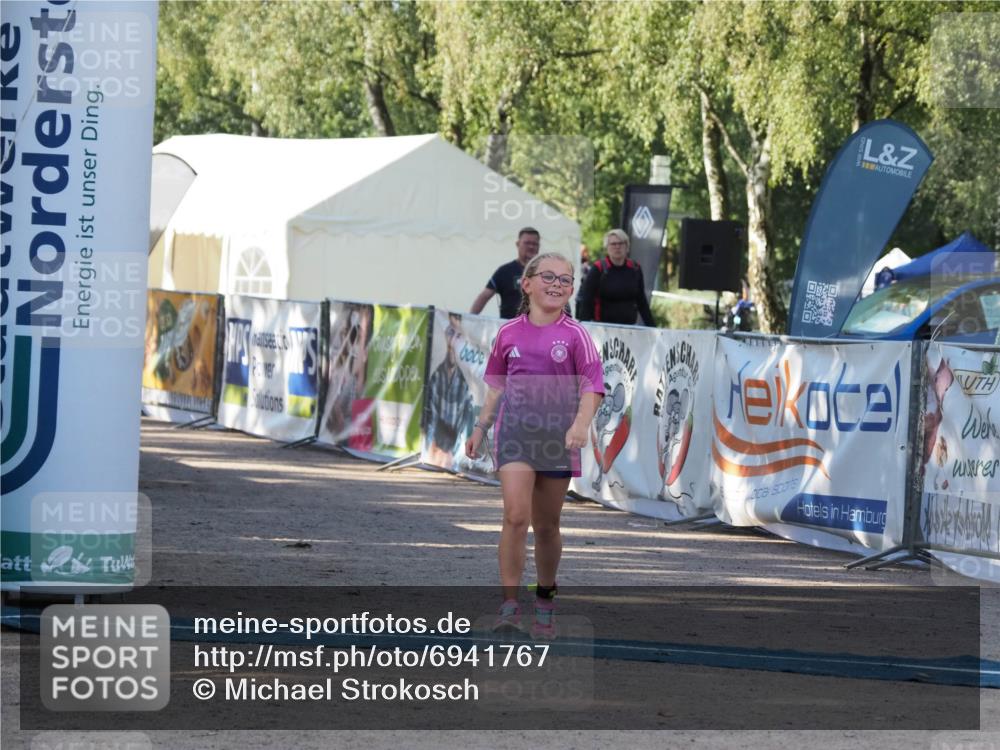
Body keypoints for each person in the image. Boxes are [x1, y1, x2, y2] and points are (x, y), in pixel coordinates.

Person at [465, 252, 604, 639]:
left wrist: (580, 424)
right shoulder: (508, 333)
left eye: (565, 280)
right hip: (515, 435)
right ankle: (509, 606)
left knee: (546, 526)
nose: (557, 285)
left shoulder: (576, 335)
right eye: (549, 277)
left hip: (558, 439)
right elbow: (495, 387)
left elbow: (594, 386)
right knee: (514, 516)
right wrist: (479, 428)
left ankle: (544, 598)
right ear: (526, 284)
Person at [425, 313, 476, 468]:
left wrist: (453, 454)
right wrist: (433, 449)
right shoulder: (436, 376)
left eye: (458, 335)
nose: (453, 339)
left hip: (453, 455)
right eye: (450, 333)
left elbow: (465, 425)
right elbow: (430, 418)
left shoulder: (466, 382)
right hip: (435, 452)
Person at [575, 229, 655, 326]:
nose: (617, 247)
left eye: (621, 243)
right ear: (607, 247)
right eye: (613, 244)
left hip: (629, 329)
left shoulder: (635, 268)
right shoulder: (598, 269)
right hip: (601, 328)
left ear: (627, 246)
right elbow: (587, 300)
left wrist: (653, 328)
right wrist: (584, 329)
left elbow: (641, 301)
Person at [470, 227, 541, 318]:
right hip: (510, 329)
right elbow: (484, 296)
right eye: (527, 243)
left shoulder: (547, 272)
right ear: (518, 244)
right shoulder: (504, 271)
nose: (531, 247)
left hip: (539, 329)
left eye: (534, 244)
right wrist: (469, 320)